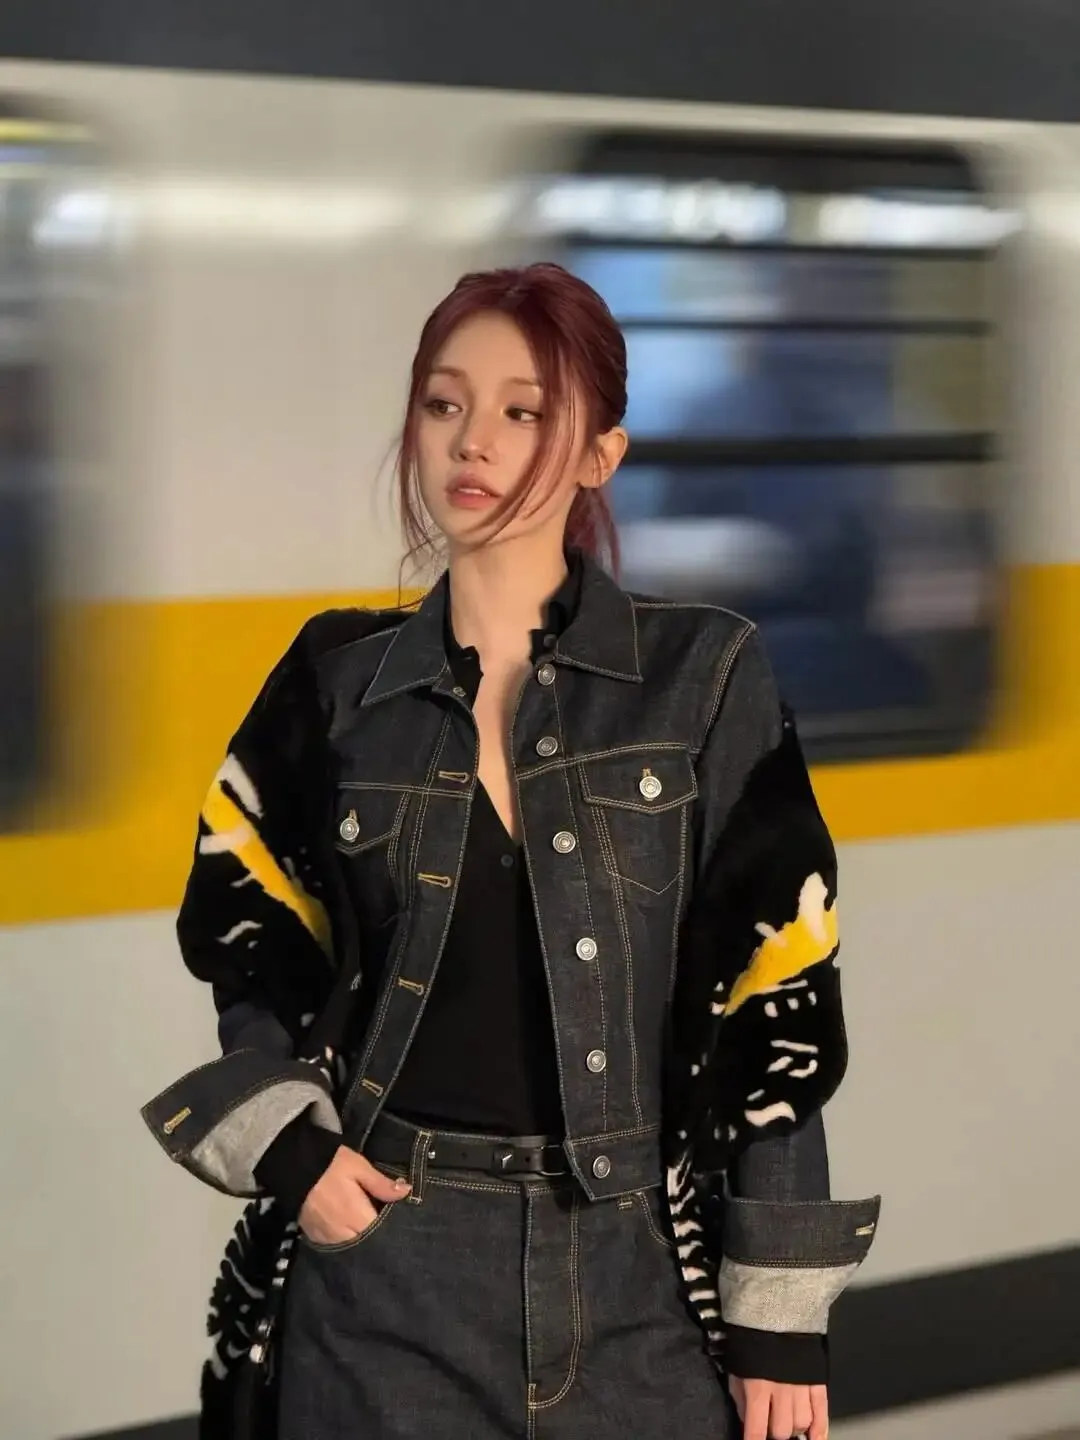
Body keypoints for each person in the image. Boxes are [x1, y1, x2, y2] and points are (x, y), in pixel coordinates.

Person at [143, 263, 879, 1440]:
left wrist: (779, 1310)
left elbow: (772, 1002)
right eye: (444, 403)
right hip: (384, 1280)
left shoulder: (704, 678)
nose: (471, 440)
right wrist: (292, 1149)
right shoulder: (334, 683)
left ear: (601, 453)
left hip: (640, 1280)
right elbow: (253, 941)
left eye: (523, 411)